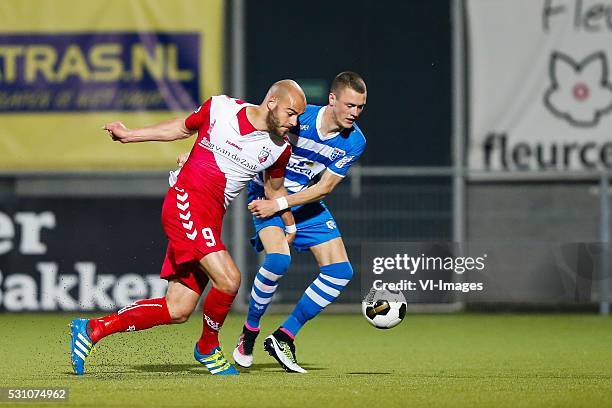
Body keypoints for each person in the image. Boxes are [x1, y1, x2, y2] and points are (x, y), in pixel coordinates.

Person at [68, 80, 306, 376]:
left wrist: (290, 223)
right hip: (186, 202)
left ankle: (92, 330)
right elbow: (181, 127)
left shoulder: (279, 150)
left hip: (210, 218)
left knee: (177, 309)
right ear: (271, 102)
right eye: (291, 113)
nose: (294, 122)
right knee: (230, 280)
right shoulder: (221, 107)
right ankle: (207, 348)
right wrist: (130, 135)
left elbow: (275, 190)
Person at [236, 71, 367, 373]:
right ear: (332, 99)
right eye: (349, 105)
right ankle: (249, 332)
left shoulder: (354, 141)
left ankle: (284, 336)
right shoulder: (297, 115)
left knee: (340, 271)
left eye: (360, 107)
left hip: (300, 202)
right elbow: (249, 126)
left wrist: (283, 206)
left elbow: (324, 188)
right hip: (265, 195)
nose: (354, 113)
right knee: (279, 261)